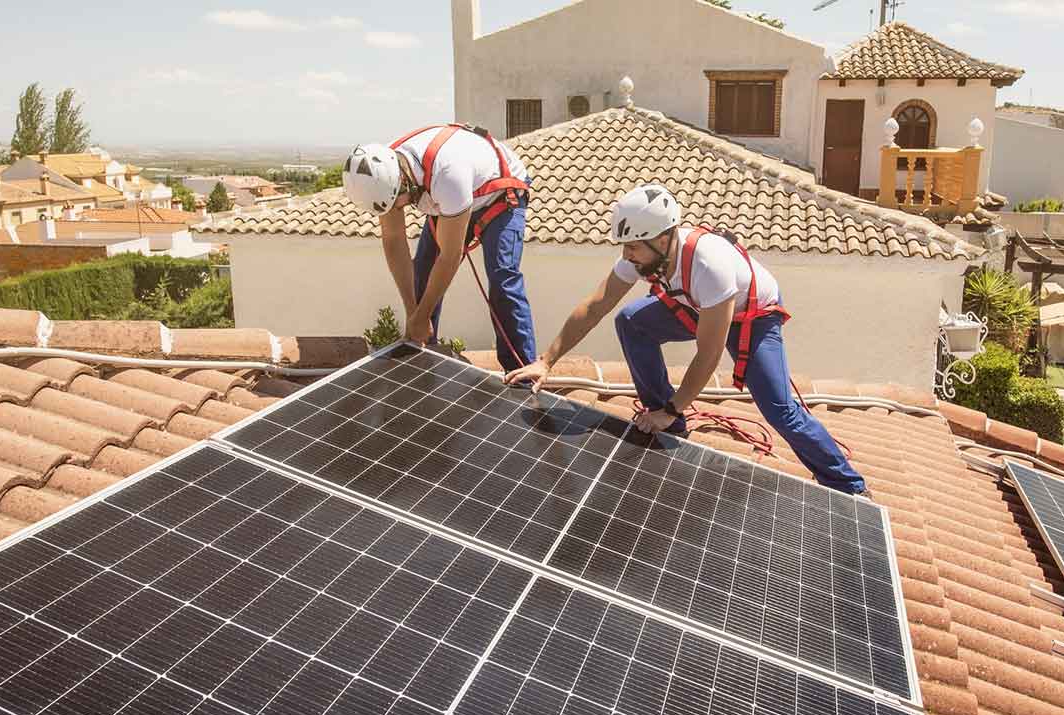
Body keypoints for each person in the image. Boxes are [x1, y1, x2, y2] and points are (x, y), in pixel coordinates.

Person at [504, 184, 866, 495]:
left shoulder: (709, 264)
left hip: (751, 316)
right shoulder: (645, 253)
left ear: (663, 239)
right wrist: (546, 360)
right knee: (631, 321)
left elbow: (708, 355)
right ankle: (668, 425)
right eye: (624, 247)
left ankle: (848, 486)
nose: (626, 256)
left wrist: (674, 406)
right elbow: (597, 304)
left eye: (633, 248)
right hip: (695, 304)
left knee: (779, 409)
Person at [343, 125, 537, 371]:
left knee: (502, 278)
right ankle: (422, 354)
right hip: (451, 197)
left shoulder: (448, 175)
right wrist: (413, 312)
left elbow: (449, 256)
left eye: (397, 203)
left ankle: (522, 370)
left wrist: (422, 315)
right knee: (422, 273)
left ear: (405, 182)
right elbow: (394, 241)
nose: (397, 209)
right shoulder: (382, 174)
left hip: (499, 195)